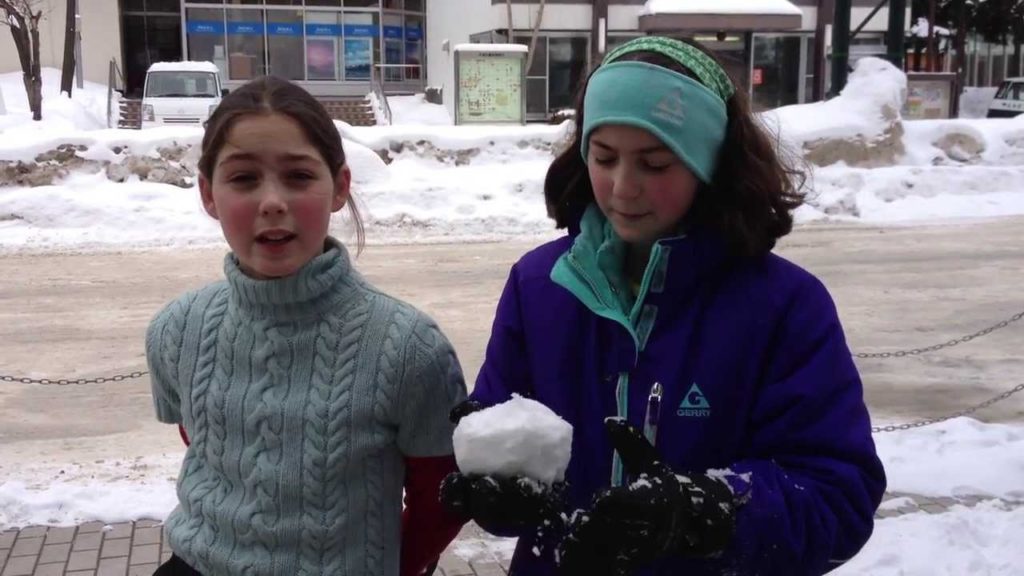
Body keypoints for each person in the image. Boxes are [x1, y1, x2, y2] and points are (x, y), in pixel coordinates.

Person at [440, 36, 886, 576]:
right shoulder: (539, 285)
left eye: (655, 164)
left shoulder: (785, 306)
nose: (623, 188)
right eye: (604, 158)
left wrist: (710, 514)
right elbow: (501, 424)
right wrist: (499, 486)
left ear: (709, 165)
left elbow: (838, 495)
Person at [145, 76, 467, 576]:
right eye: (244, 179)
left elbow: (441, 495)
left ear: (339, 187)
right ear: (208, 195)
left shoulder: (407, 347)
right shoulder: (177, 329)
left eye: (297, 176)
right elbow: (210, 446)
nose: (272, 201)